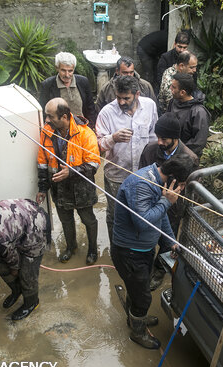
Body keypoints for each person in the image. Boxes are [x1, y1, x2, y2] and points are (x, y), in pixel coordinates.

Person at [111, 154, 194, 349]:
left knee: (138, 288)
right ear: (172, 177)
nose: (181, 189)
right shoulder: (142, 185)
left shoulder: (159, 182)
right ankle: (137, 333)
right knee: (143, 296)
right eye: (181, 184)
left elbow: (159, 216)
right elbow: (143, 222)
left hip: (144, 249)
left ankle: (136, 317)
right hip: (129, 252)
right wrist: (166, 202)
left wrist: (171, 241)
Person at [36, 97, 100, 264]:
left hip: (81, 188)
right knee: (65, 220)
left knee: (88, 219)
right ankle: (71, 247)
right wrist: (43, 188)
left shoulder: (85, 134)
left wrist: (70, 172)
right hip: (58, 188)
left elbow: (93, 164)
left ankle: (93, 250)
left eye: (50, 116)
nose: (47, 120)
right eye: (46, 116)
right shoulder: (47, 132)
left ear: (64, 117)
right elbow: (42, 162)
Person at [139, 113, 198, 291]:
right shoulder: (150, 150)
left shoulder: (190, 158)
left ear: (176, 137)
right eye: (158, 137)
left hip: (173, 210)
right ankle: (145, 267)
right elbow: (141, 176)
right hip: (150, 203)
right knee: (146, 236)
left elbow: (192, 192)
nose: (160, 142)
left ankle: (158, 272)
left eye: (164, 138)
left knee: (167, 242)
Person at [96, 75, 158, 243]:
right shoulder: (107, 112)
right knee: (115, 214)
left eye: (126, 98)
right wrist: (113, 138)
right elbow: (98, 145)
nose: (121, 102)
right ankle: (116, 246)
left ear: (137, 94)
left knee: (142, 212)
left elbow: (154, 138)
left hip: (143, 174)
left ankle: (136, 244)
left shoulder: (150, 106)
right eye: (118, 97)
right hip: (117, 175)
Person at [39, 52, 97, 126]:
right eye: (63, 70)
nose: (67, 75)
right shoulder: (47, 85)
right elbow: (44, 112)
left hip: (82, 129)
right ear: (57, 68)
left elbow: (91, 109)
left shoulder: (83, 82)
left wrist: (90, 127)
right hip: (60, 131)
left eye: (70, 71)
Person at [167, 72, 210, 158]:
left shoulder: (198, 112)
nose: (170, 89)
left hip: (186, 158)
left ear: (182, 92)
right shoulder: (173, 102)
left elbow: (198, 143)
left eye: (173, 87)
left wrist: (178, 154)